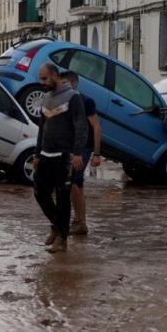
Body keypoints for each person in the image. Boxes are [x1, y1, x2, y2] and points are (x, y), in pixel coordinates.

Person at [33, 63, 88, 253]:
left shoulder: (73, 98)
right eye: (40, 79)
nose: (42, 83)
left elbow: (81, 127)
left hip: (65, 156)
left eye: (45, 78)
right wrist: (37, 154)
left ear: (55, 76)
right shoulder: (46, 98)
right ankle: (57, 225)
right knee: (40, 193)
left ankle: (62, 240)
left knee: (63, 198)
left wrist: (78, 153)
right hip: (46, 155)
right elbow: (42, 128)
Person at [61, 71, 102, 236]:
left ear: (74, 84)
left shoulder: (86, 101)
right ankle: (80, 222)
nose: (62, 86)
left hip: (84, 148)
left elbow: (97, 127)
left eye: (65, 83)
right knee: (75, 184)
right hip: (69, 148)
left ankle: (79, 222)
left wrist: (97, 154)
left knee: (74, 182)